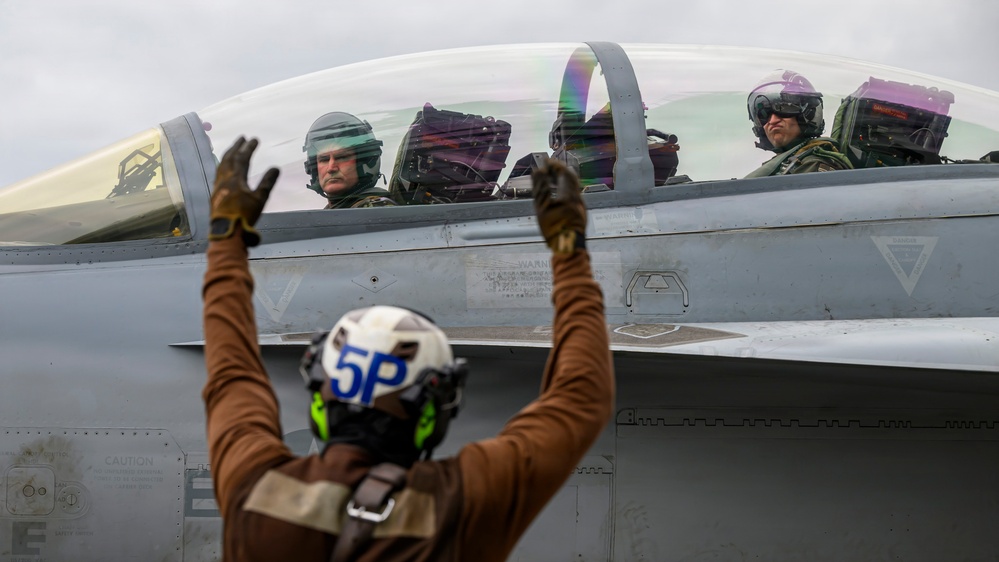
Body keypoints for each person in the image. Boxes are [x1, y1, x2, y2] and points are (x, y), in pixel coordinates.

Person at [203, 137, 613, 561]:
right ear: (430, 419)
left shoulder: (254, 486)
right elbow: (580, 396)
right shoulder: (463, 503)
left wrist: (226, 240)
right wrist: (569, 249)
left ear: (321, 406)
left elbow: (232, 374)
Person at [745, 70, 853, 178]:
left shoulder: (813, 166)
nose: (773, 121)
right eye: (764, 115)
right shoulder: (783, 166)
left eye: (784, 110)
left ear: (807, 114)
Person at [304, 112, 395, 209]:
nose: (331, 168)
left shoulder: (376, 210)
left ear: (364, 162)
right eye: (324, 160)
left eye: (341, 157)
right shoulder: (336, 212)